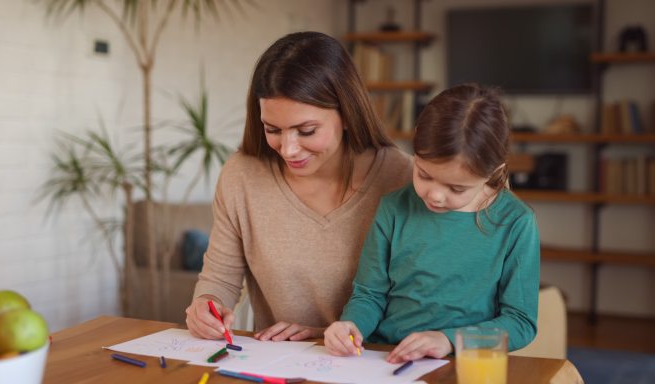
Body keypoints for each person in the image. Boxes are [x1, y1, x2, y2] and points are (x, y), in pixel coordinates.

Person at [185, 31, 412, 342]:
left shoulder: (403, 178)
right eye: (273, 129)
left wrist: (326, 336)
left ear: (347, 114)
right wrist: (205, 306)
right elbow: (219, 279)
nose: (288, 149)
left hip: (376, 364)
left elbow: (424, 303)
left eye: (306, 130)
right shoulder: (242, 175)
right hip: (277, 367)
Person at [324, 83, 540, 363]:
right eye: (423, 175)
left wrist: (448, 340)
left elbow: (520, 322)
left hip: (463, 363)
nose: (435, 195)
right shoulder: (393, 208)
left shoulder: (515, 222)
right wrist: (351, 325)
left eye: (456, 188)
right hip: (384, 359)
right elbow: (369, 295)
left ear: (492, 172)